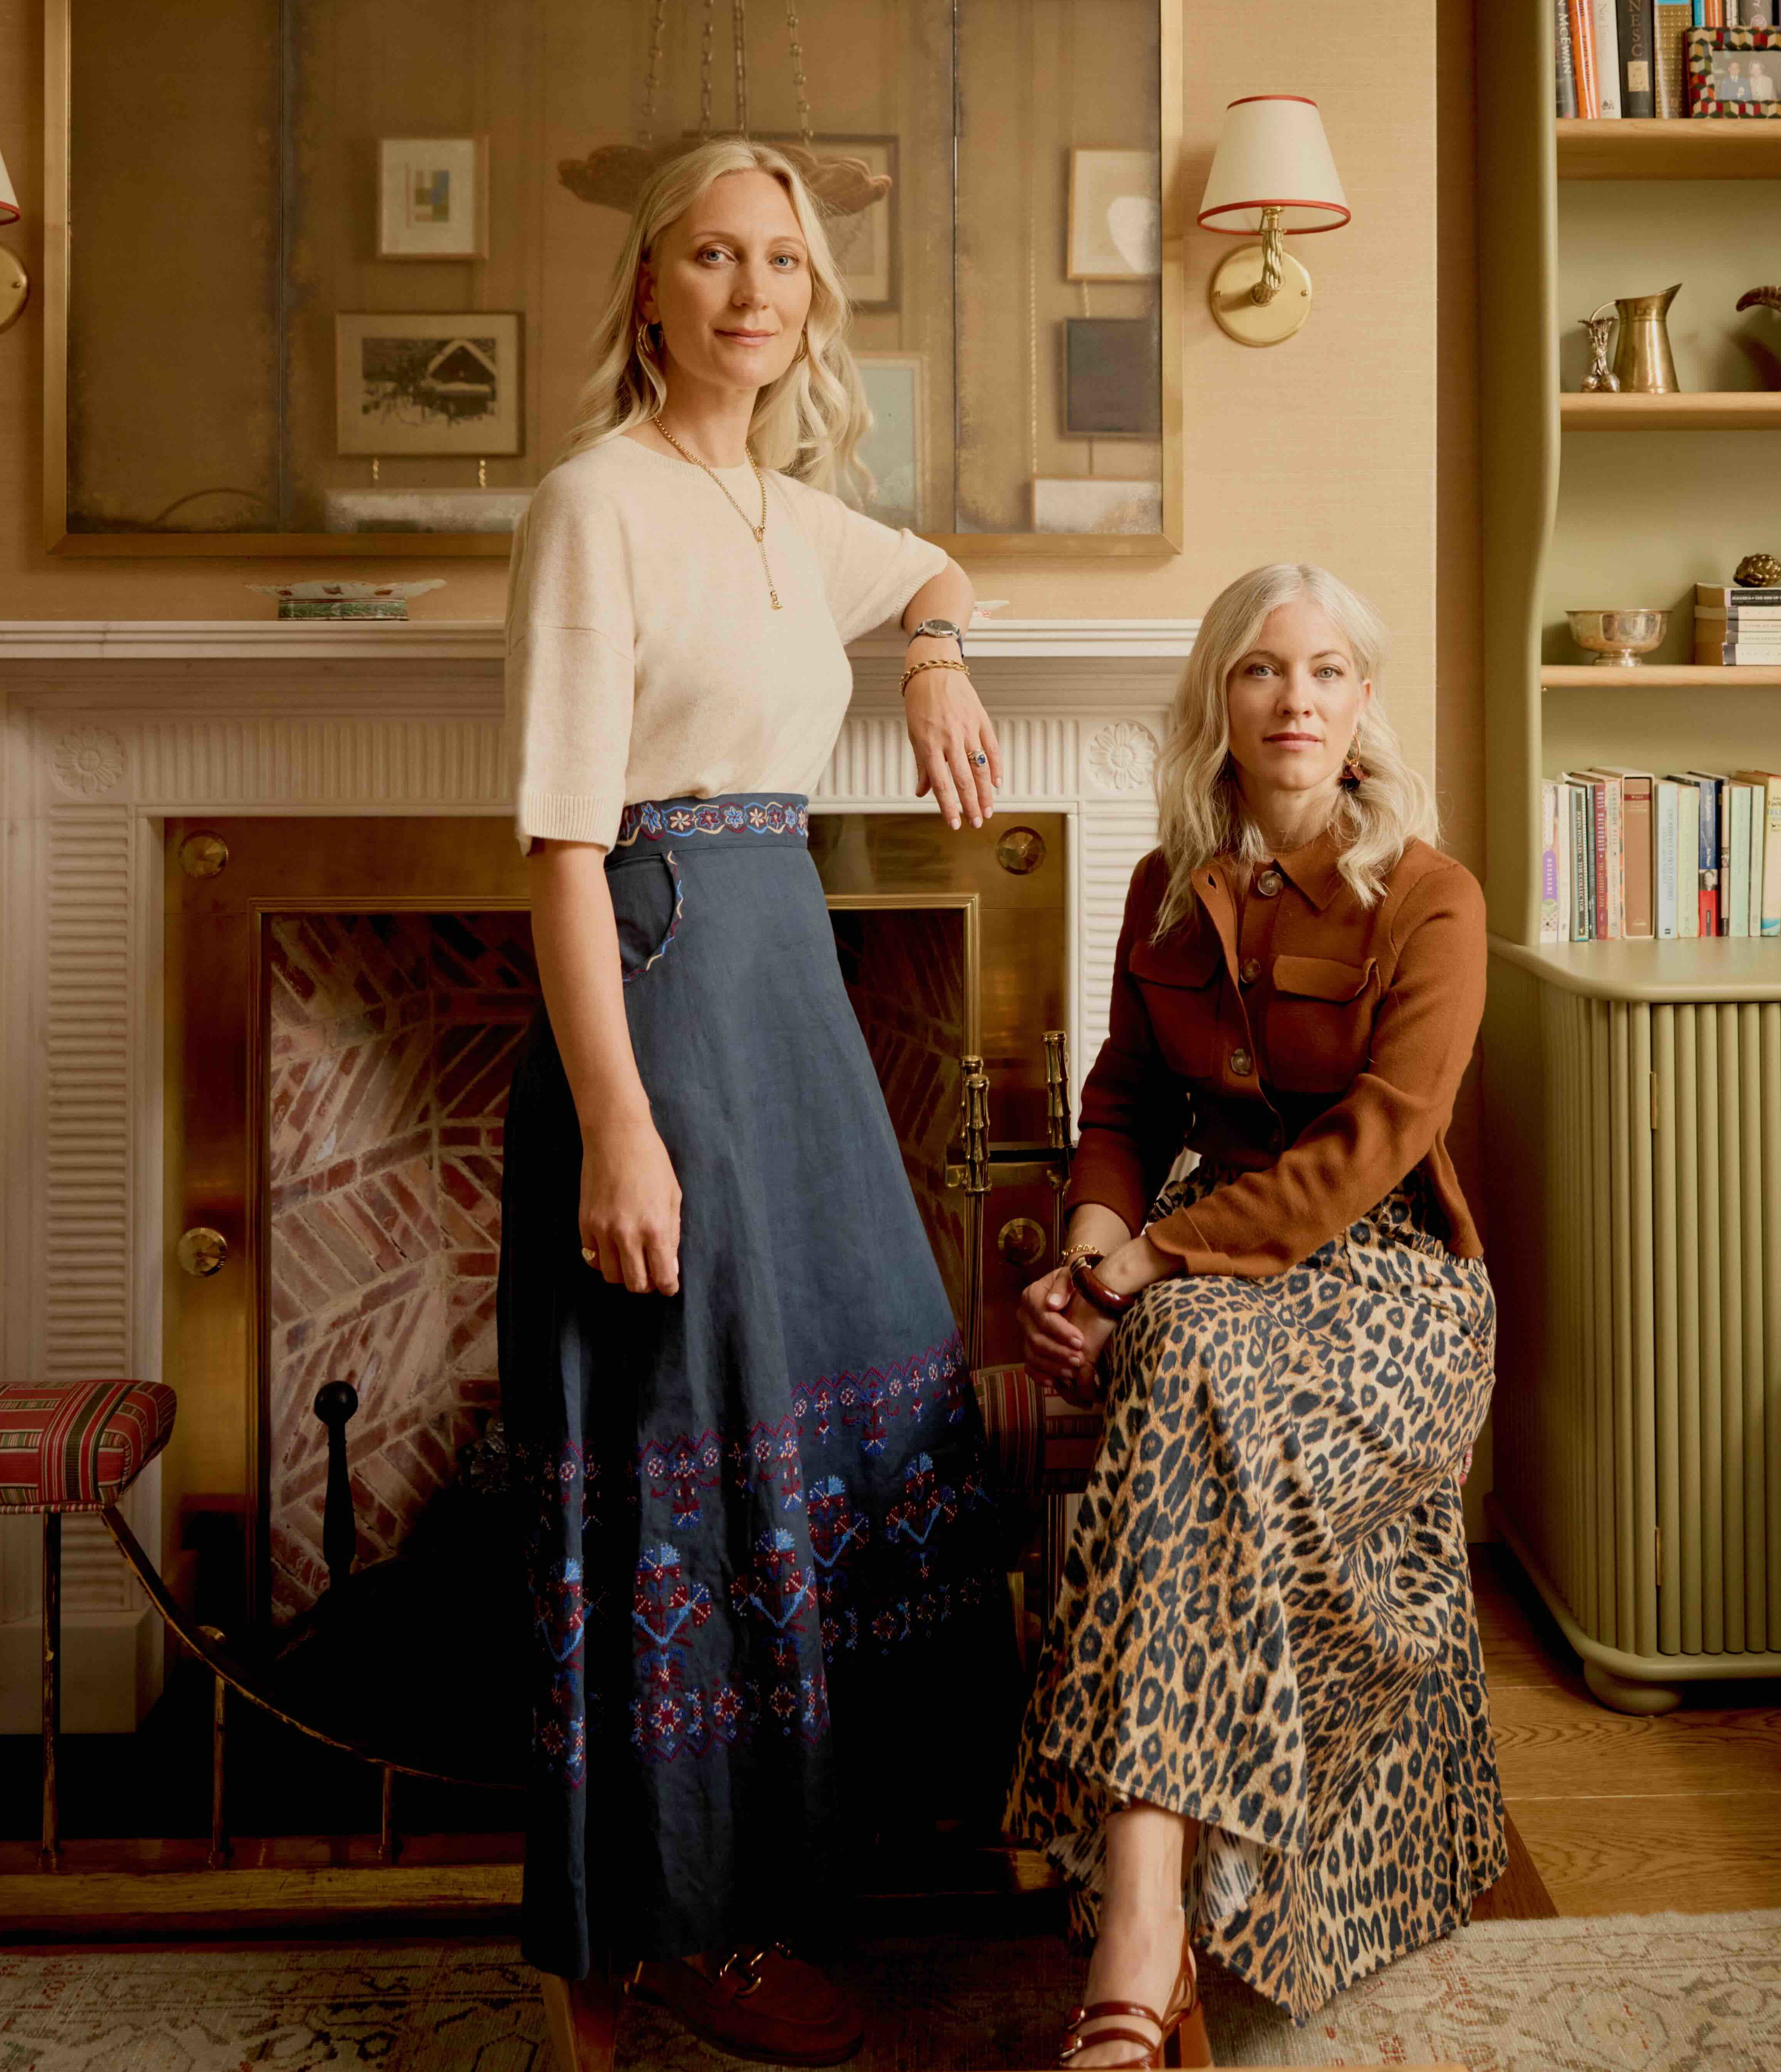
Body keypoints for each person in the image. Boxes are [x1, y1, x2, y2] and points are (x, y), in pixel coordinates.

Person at [498, 137, 1008, 2072]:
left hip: (785, 974)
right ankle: (630, 1959)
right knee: (666, 1455)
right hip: (658, 988)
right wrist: (620, 1125)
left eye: (779, 261)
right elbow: (558, 843)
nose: (748, 292)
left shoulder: (799, 515)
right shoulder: (593, 507)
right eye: (710, 256)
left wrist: (940, 651)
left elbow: (939, 563)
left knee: (850, 1416)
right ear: (647, 288)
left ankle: (761, 1897)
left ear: (813, 297)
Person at [1008, 563, 1507, 2061]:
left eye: (1329, 672)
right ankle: (1152, 1913)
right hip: (1197, 1279)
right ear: (1216, 700)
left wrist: (1142, 1267)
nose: (1296, 699)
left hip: (1395, 1288)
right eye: (1263, 671)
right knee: (1195, 1374)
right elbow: (1122, 1098)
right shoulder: (1166, 889)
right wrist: (1084, 1254)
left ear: (1362, 707)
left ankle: (1133, 1920)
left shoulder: (1432, 896)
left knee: (1189, 1366)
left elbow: (1369, 1154)